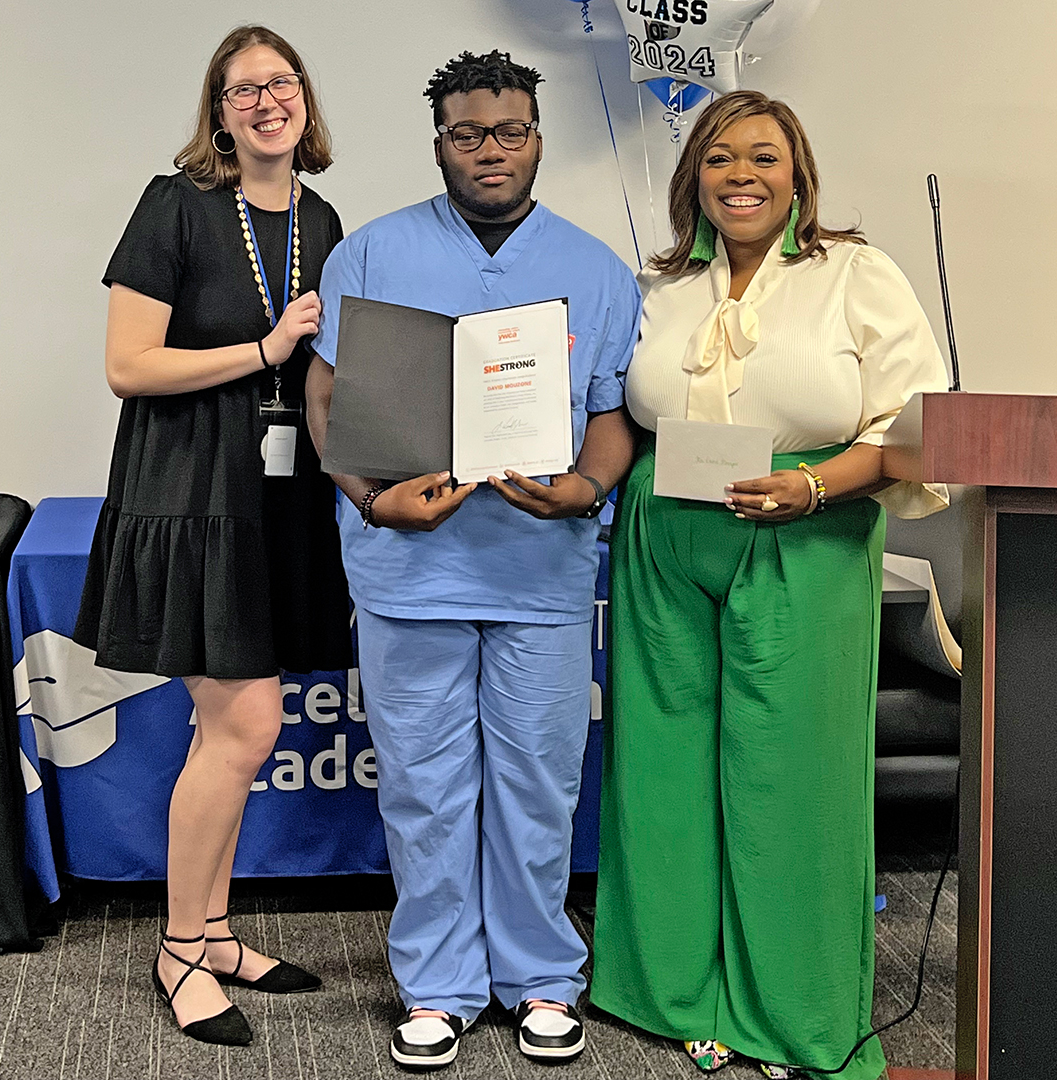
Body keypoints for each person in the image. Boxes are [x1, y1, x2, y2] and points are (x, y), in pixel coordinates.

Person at [589, 91, 949, 1080]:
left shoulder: (856, 274)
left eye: (763, 156)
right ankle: (665, 991)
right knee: (660, 773)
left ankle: (788, 1010)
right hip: (666, 536)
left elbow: (918, 423)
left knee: (790, 780)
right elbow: (615, 407)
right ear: (691, 177)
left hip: (808, 532)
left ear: (799, 175)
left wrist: (813, 484)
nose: (740, 174)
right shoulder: (659, 285)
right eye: (718, 157)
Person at [305, 50, 640, 1071]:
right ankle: (440, 985)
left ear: (537, 137)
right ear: (440, 139)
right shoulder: (371, 254)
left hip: (540, 572)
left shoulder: (595, 269)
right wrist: (370, 496)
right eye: (468, 133)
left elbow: (613, 418)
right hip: (410, 571)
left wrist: (584, 488)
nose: (490, 150)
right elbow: (326, 405)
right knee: (424, 783)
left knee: (541, 782)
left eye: (510, 131)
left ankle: (541, 974)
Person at [74, 26, 351, 1047]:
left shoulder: (319, 218)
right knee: (243, 729)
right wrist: (263, 348)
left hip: (278, 500)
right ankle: (181, 949)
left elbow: (332, 370)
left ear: (305, 102)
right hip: (188, 495)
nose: (265, 101)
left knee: (228, 731)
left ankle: (218, 929)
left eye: (281, 84)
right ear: (219, 110)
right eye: (243, 90)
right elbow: (129, 366)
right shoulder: (175, 205)